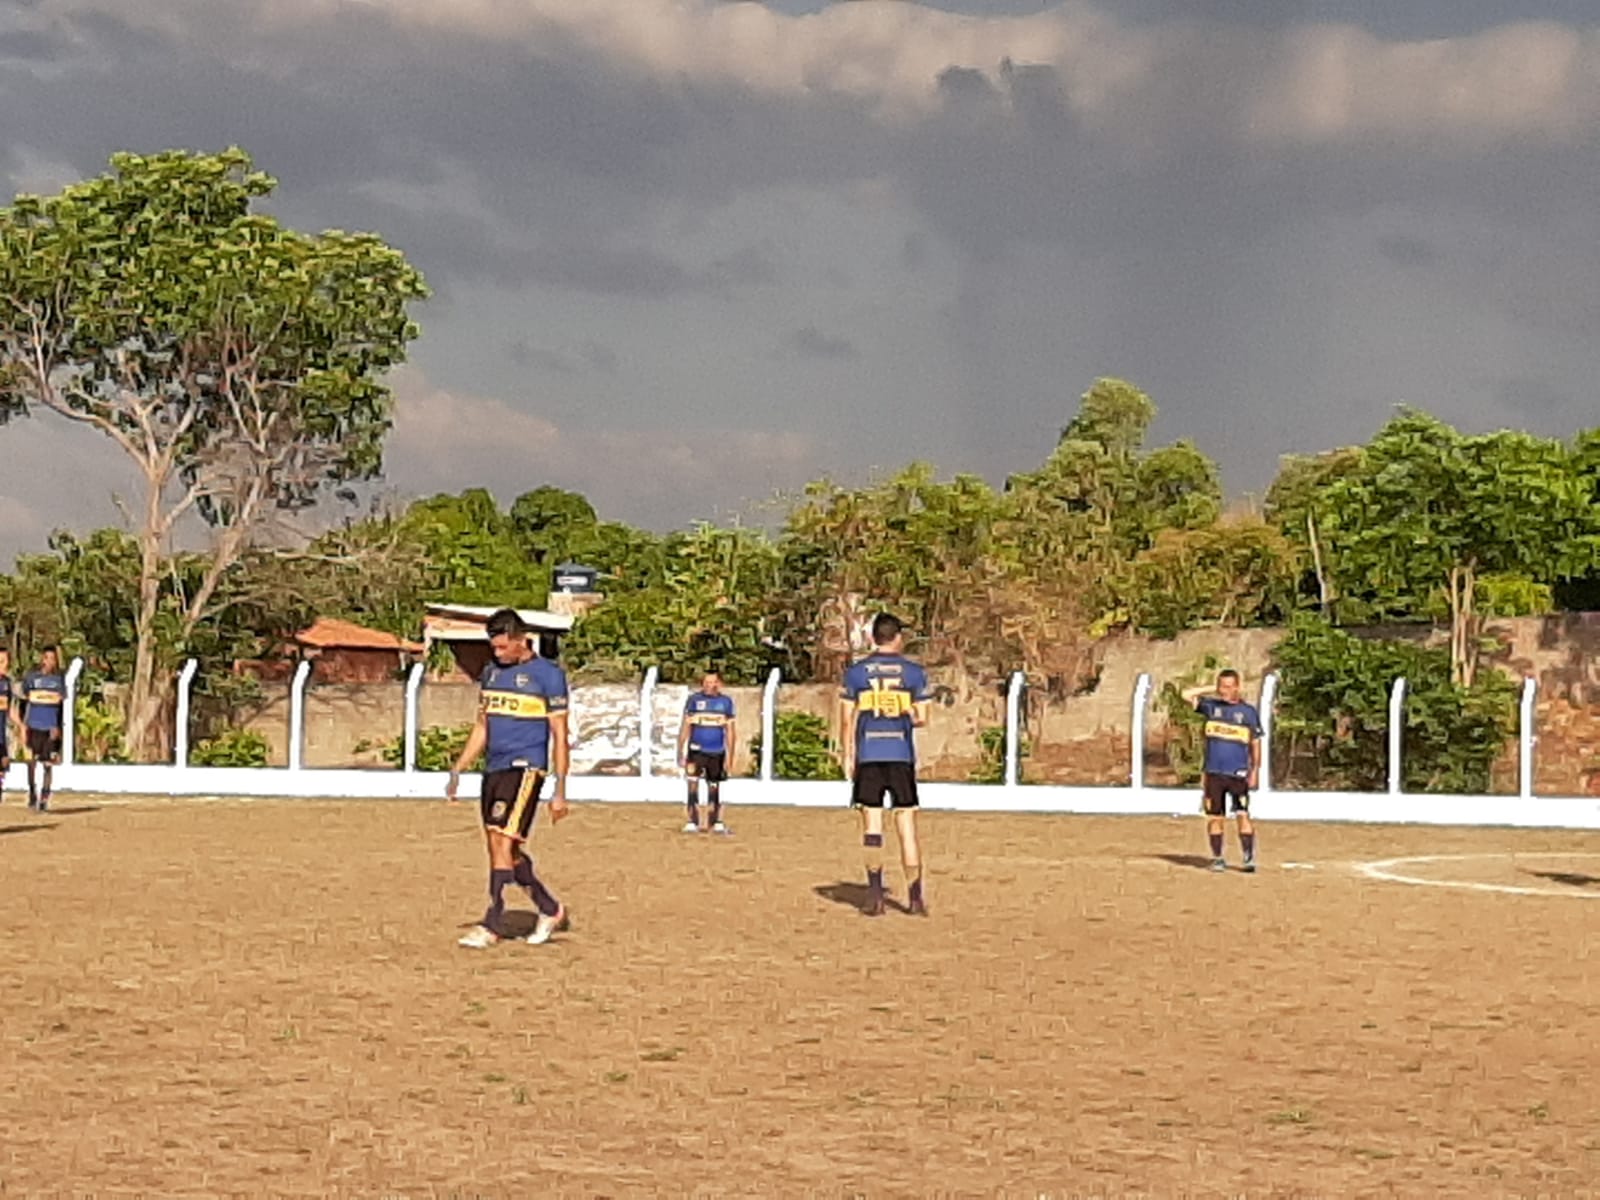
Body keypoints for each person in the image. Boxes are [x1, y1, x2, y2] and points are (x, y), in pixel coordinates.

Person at [446, 609, 572, 949]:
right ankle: (549, 908)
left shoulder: (548, 676)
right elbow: (482, 726)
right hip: (495, 768)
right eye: (494, 647)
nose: (498, 653)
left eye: (503, 647)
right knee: (502, 848)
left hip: (526, 768)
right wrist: (459, 767)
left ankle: (492, 923)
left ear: (522, 640)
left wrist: (560, 790)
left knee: (502, 842)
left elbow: (560, 735)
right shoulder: (491, 673)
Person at [840, 613, 932, 917]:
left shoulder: (856, 673)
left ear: (873, 638)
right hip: (900, 755)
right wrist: (903, 710)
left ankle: (875, 895)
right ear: (898, 637)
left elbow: (847, 720)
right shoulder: (914, 673)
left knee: (872, 827)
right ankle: (915, 898)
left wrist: (847, 755)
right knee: (906, 825)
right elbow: (922, 718)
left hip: (869, 755)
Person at [1181, 669, 1263, 873]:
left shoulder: (1248, 712)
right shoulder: (1211, 707)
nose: (1224, 691)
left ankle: (1248, 857)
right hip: (1213, 772)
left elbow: (1255, 744)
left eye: (1228, 686)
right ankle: (1218, 858)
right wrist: (1213, 688)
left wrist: (1255, 770)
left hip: (1238, 773)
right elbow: (1186, 694)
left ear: (1237, 687)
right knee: (1215, 817)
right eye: (1221, 686)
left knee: (1242, 814)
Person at [677, 669, 736, 835]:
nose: (710, 685)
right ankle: (692, 821)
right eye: (707, 682)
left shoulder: (726, 703)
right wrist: (680, 750)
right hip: (696, 750)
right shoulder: (694, 701)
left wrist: (730, 756)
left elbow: (730, 732)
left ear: (719, 683)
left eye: (713, 682)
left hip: (716, 752)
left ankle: (715, 822)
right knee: (692, 784)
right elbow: (686, 727)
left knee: (714, 787)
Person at [19, 647, 64, 813]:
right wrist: (23, 725)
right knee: (31, 763)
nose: (50, 662)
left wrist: (58, 727)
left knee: (47, 764)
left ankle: (45, 798)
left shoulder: (59, 681)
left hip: (50, 728)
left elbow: (61, 707)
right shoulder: (32, 679)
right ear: (42, 659)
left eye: (53, 659)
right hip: (33, 726)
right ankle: (32, 793)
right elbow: (23, 703)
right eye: (48, 658)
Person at [0, 647, 14, 803]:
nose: (5, 665)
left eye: (6, 661)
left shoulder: (6, 683)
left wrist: (22, 726)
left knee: (2, 767)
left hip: (1, 736)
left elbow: (10, 710)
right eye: (1, 661)